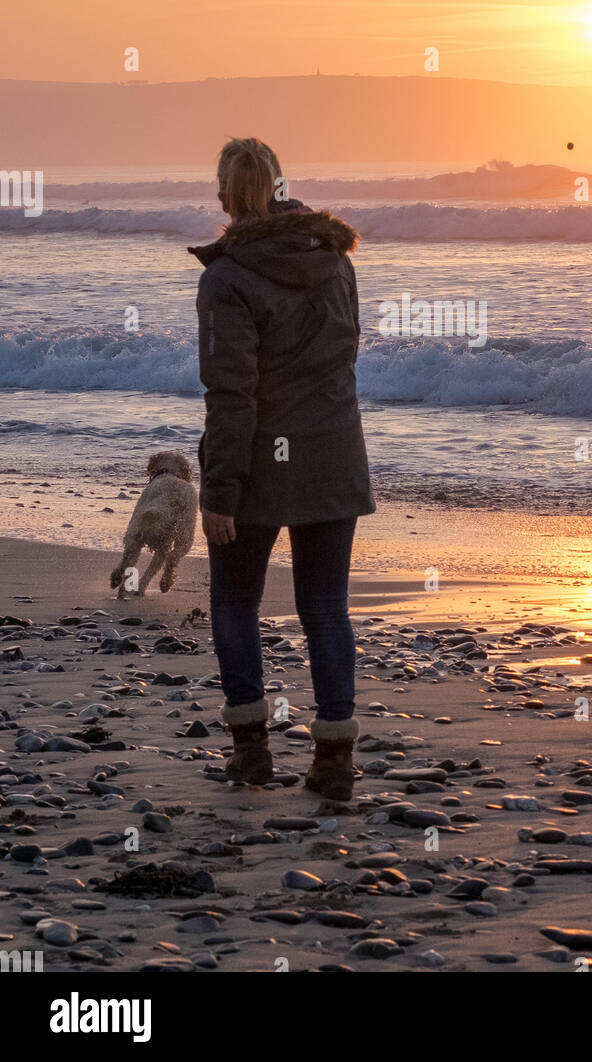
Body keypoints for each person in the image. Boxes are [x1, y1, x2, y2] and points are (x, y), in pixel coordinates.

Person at [189, 137, 374, 799]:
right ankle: (333, 760)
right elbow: (345, 358)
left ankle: (251, 752)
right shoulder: (335, 262)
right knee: (325, 608)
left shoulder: (226, 279)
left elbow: (231, 393)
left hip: (261, 462)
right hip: (334, 453)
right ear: (276, 186)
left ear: (222, 196)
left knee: (236, 601)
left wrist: (219, 490)